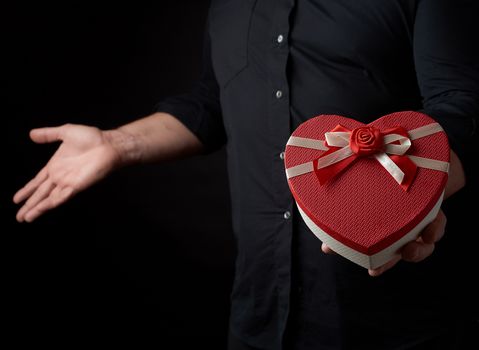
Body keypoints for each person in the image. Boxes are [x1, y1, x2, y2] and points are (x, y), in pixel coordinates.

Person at [13, 0, 478, 349]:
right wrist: (117, 143)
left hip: (394, 323)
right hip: (260, 315)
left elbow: (461, 109)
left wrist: (406, 208)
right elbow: (212, 103)